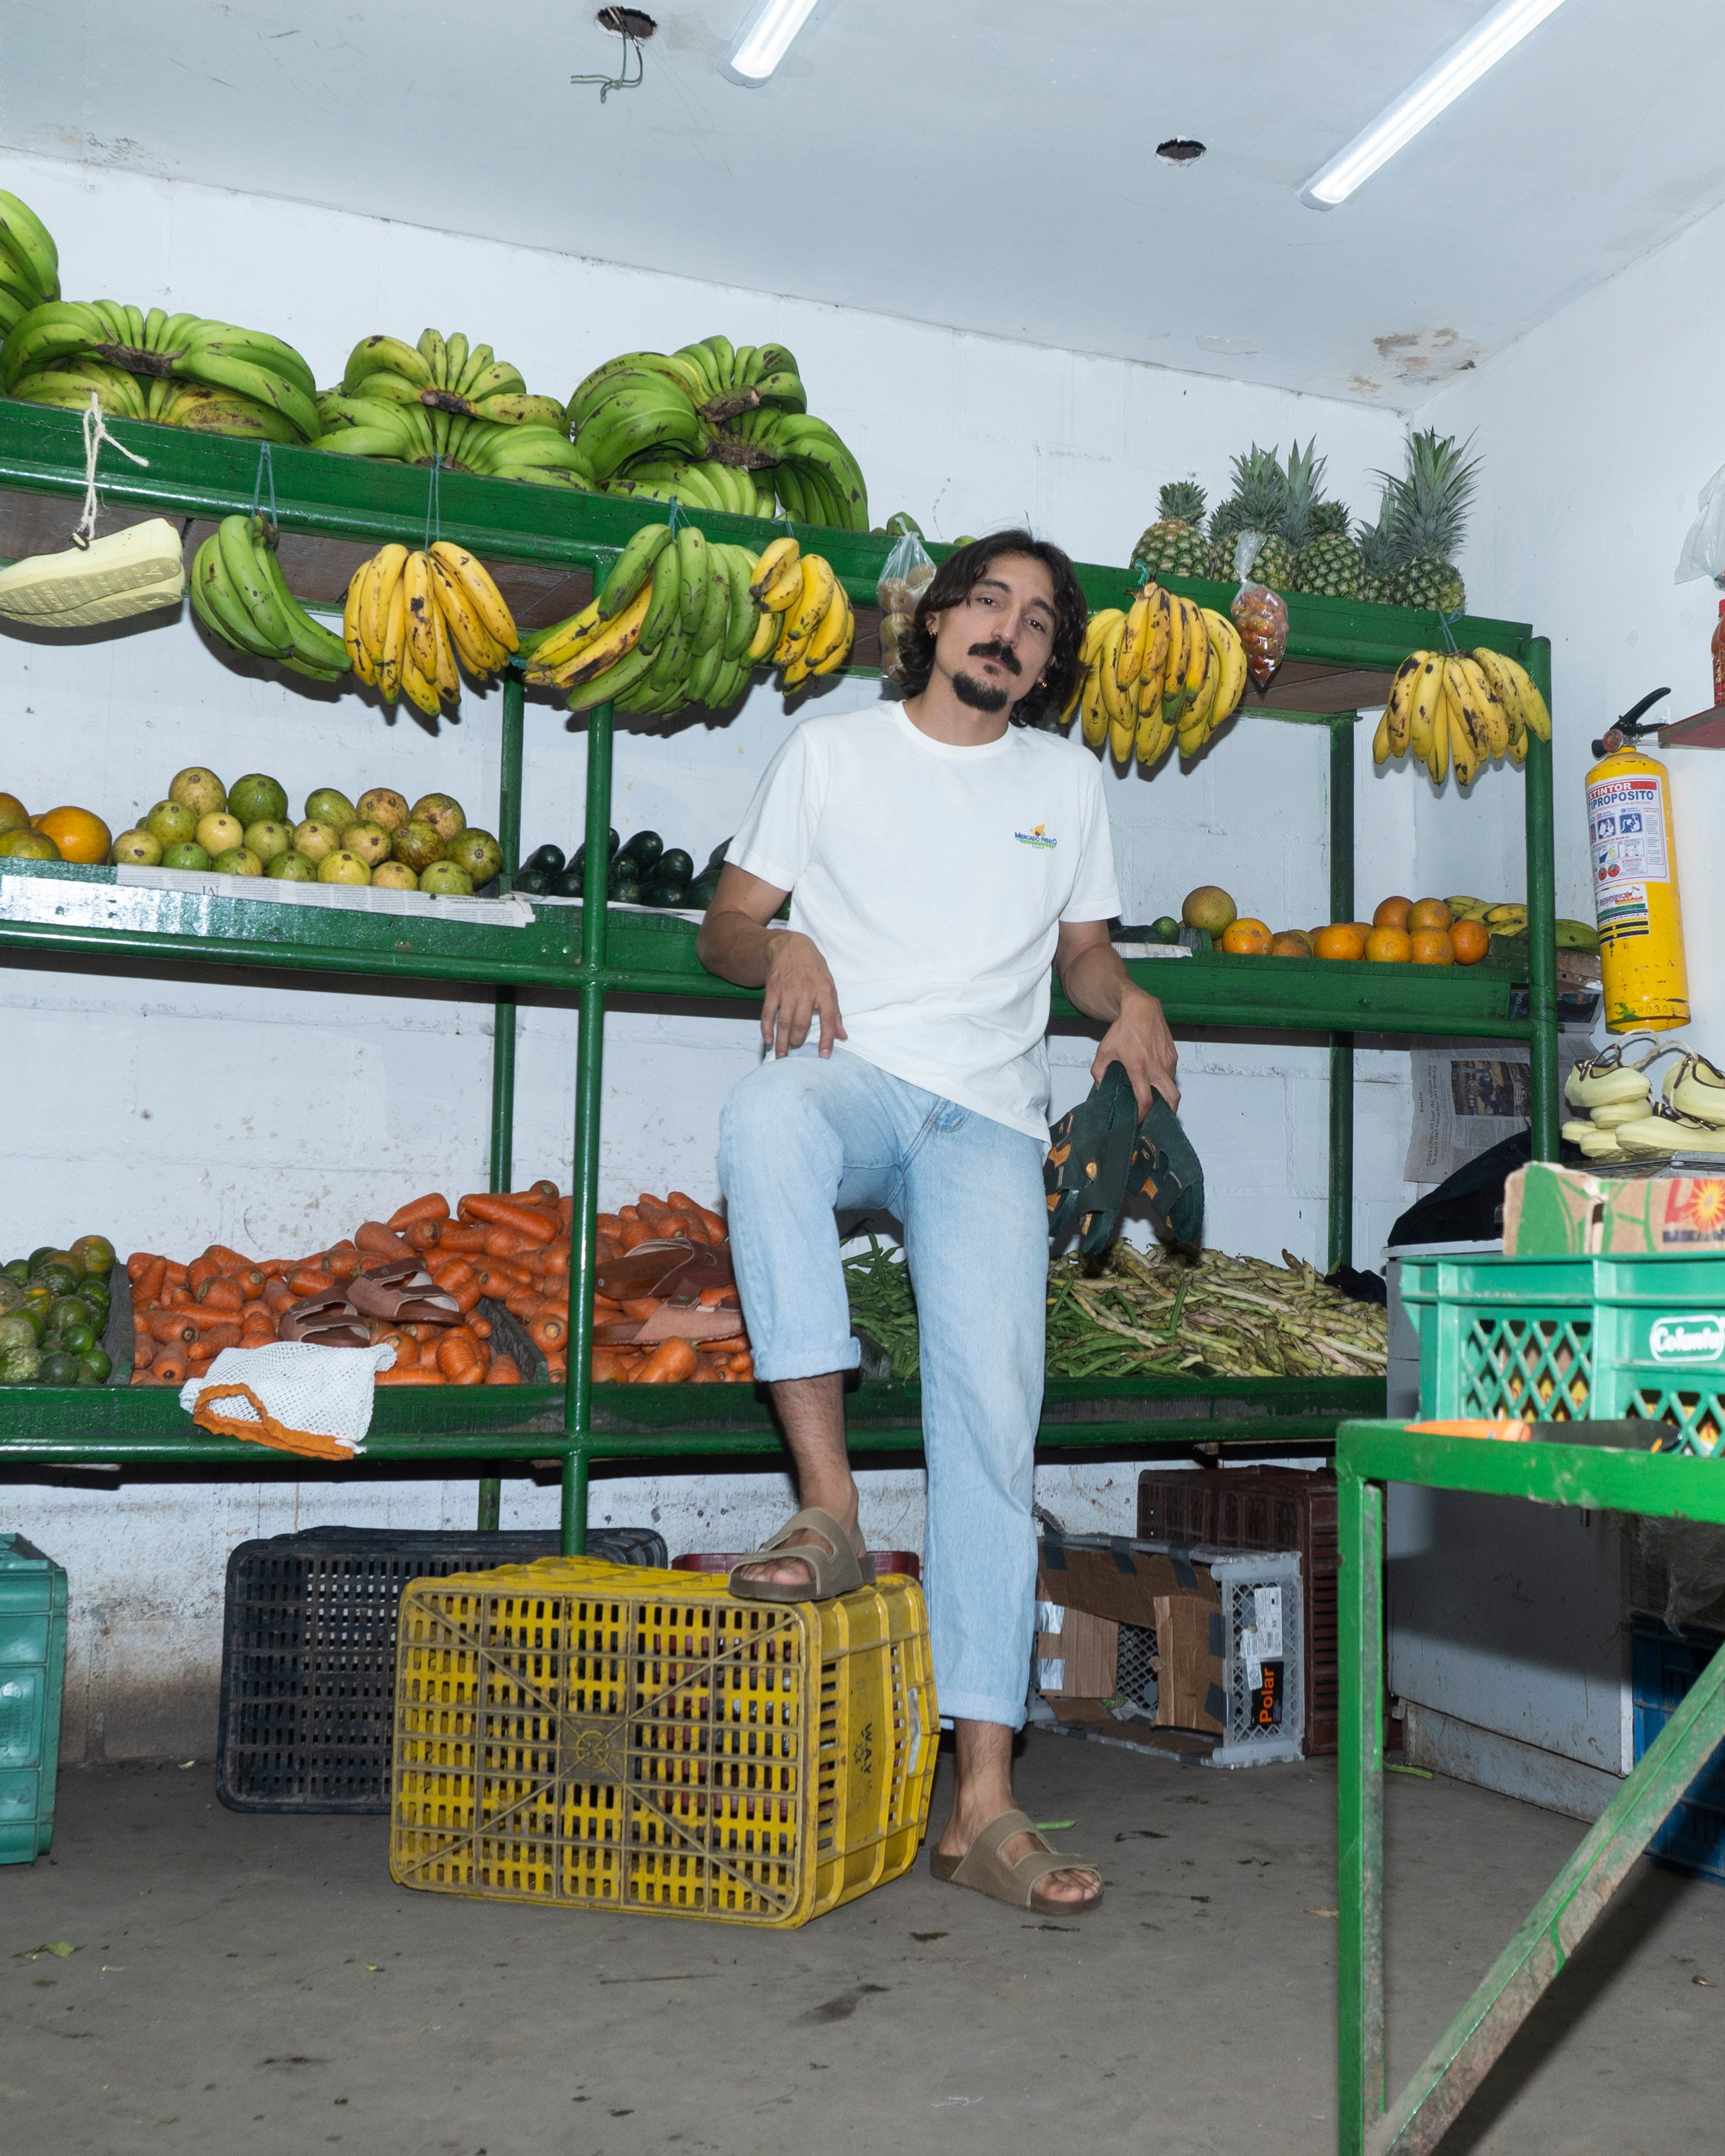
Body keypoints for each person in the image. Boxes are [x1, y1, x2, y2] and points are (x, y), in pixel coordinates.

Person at [698, 530, 1179, 1915]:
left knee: (988, 1427)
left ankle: (981, 1805)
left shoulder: (1065, 781)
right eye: (987, 601)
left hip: (986, 1120)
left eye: (1035, 620)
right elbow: (726, 929)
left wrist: (1126, 997)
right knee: (764, 1117)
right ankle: (830, 1509)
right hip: (854, 1073)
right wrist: (779, 941)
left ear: (1046, 659)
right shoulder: (829, 754)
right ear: (938, 621)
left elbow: (1081, 951)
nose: (1008, 631)